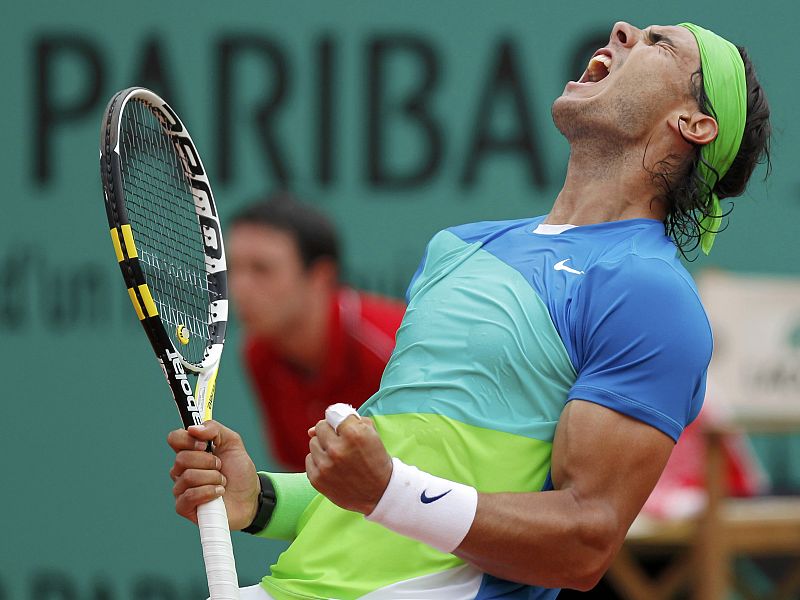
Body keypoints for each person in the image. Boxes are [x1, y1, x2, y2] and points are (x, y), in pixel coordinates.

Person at [168, 21, 771, 599]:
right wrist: (264, 500)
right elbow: (394, 496)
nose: (621, 30)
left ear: (693, 124)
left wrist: (388, 489)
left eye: (660, 44)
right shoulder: (459, 247)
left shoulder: (648, 292)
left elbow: (584, 542)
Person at [227, 195, 406, 471]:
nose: (239, 288)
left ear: (321, 276)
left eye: (261, 269)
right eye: (233, 269)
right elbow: (304, 475)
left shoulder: (394, 349)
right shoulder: (258, 352)